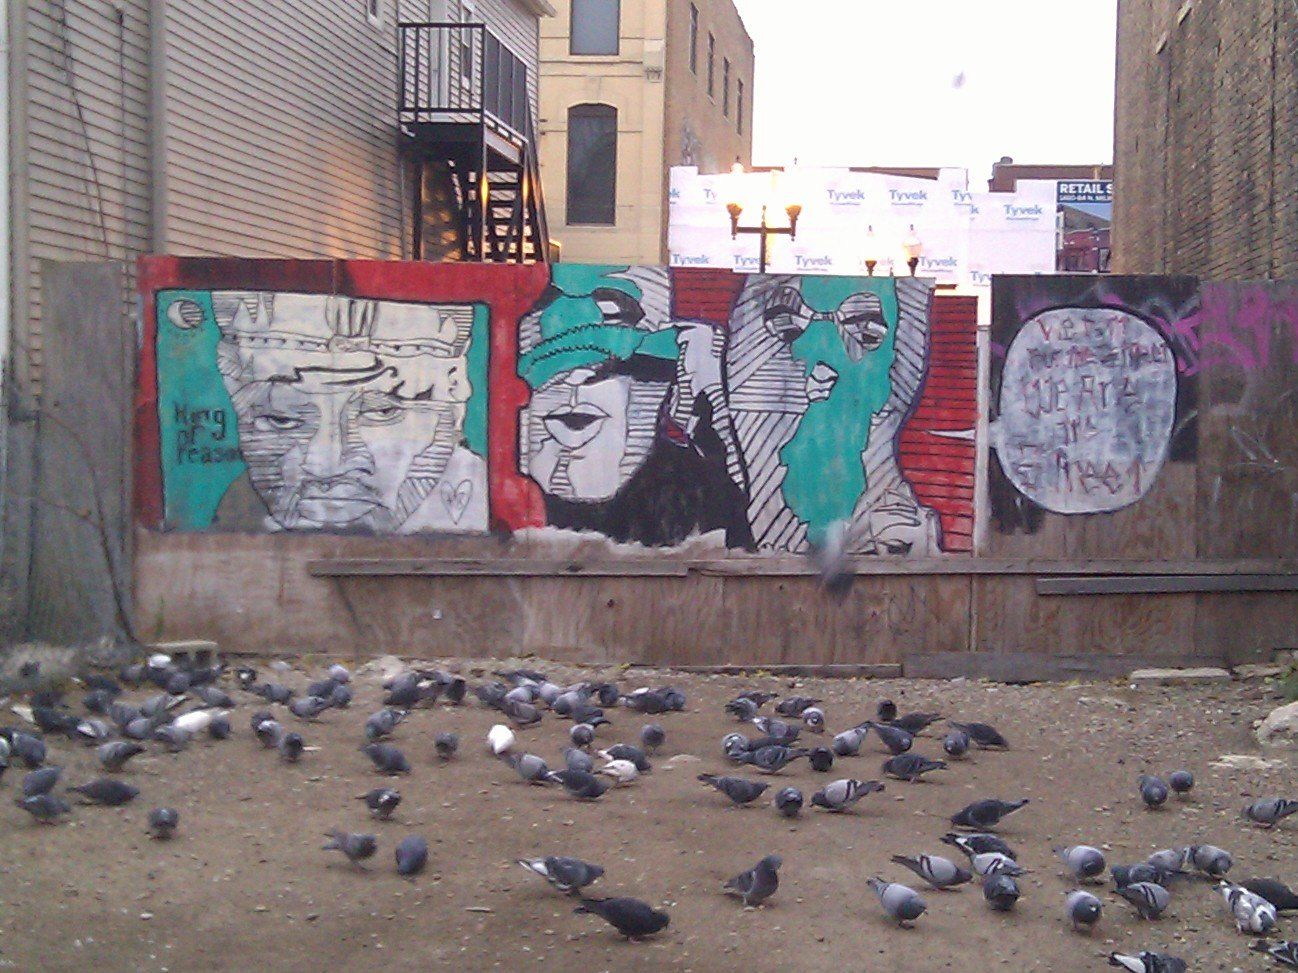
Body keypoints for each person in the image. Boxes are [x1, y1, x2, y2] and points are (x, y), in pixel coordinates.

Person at [212, 291, 487, 533]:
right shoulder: (237, 511)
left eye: (382, 412)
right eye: (283, 420)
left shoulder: (486, 503)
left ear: (454, 394)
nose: (327, 466)